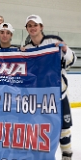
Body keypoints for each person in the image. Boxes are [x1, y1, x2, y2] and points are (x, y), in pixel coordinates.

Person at [21, 14, 77, 160]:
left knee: (64, 128)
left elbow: (71, 61)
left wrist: (64, 49)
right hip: (37, 98)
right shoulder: (26, 48)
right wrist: (20, 55)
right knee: (39, 127)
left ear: (41, 27)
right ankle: (40, 155)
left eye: (35, 25)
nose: (33, 28)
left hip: (58, 95)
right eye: (30, 25)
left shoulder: (54, 41)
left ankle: (67, 154)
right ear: (27, 29)